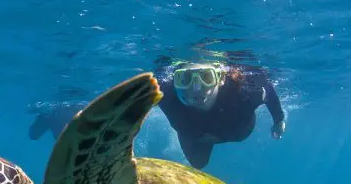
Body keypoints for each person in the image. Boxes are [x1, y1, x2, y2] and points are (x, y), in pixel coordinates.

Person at [28, 54, 286, 169]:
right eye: (185, 79)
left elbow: (270, 92)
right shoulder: (165, 91)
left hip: (234, 131)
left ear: (220, 78)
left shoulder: (244, 93)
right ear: (174, 79)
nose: (197, 88)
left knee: (200, 161)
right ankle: (54, 118)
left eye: (206, 77)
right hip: (194, 135)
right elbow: (125, 104)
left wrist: (279, 120)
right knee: (198, 164)